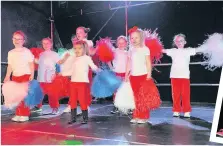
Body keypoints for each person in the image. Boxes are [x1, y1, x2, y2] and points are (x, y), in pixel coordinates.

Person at [125, 28, 159, 124]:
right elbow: (129, 63)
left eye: (136, 37)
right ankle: (136, 115)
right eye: (132, 38)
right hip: (133, 77)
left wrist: (149, 75)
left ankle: (144, 117)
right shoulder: (130, 50)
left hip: (143, 76)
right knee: (135, 97)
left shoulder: (145, 49)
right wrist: (126, 75)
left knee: (143, 97)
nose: (134, 40)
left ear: (141, 38)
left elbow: (148, 63)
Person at [162, 34, 200, 118]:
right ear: (175, 42)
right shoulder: (173, 51)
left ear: (185, 42)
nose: (179, 42)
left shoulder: (188, 50)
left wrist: (210, 46)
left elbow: (198, 49)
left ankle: (186, 111)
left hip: (185, 76)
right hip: (174, 76)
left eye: (181, 41)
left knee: (185, 94)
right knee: (175, 95)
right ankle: (176, 110)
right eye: (177, 41)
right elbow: (162, 50)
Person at [63, 26, 96, 113]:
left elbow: (91, 52)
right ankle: (71, 105)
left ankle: (86, 105)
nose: (78, 34)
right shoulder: (76, 43)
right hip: (76, 69)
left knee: (85, 88)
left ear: (85, 34)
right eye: (77, 33)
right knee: (73, 87)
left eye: (80, 32)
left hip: (85, 69)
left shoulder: (88, 42)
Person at [4, 30, 34, 122]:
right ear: (12, 39)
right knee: (16, 96)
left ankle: (25, 114)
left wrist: (32, 74)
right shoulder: (11, 52)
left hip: (25, 75)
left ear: (23, 41)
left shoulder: (26, 51)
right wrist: (7, 76)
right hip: (15, 76)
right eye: (15, 38)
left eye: (19, 39)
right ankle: (18, 113)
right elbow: (10, 66)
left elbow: (31, 63)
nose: (17, 41)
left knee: (23, 95)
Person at [35, 37, 70, 114]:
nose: (45, 45)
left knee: (52, 94)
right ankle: (38, 106)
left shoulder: (54, 54)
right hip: (41, 77)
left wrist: (65, 57)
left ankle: (55, 107)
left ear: (51, 44)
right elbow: (38, 63)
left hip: (50, 77)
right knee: (39, 92)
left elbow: (59, 63)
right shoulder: (41, 54)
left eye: (47, 43)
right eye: (44, 43)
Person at [68, 40, 100, 124]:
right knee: (73, 100)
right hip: (73, 82)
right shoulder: (73, 58)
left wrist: (99, 71)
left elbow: (93, 66)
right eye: (75, 48)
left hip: (82, 82)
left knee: (82, 100)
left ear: (84, 49)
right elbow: (71, 70)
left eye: (79, 48)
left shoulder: (86, 58)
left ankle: (85, 118)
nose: (77, 50)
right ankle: (73, 118)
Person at [107, 36, 129, 114]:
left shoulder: (128, 53)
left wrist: (128, 73)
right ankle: (116, 106)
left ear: (126, 43)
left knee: (125, 90)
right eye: (119, 43)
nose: (121, 44)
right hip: (116, 73)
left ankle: (126, 107)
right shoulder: (114, 51)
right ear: (116, 44)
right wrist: (111, 68)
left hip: (125, 74)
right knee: (116, 91)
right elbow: (107, 59)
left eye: (123, 43)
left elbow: (129, 64)